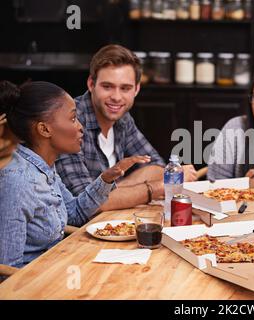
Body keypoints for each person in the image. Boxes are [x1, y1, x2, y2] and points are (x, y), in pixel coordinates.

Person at [0, 81, 150, 268]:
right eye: (72, 119)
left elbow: (74, 213)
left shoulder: (44, 167)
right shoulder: (17, 183)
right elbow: (6, 271)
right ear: (44, 129)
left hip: (59, 268)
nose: (81, 127)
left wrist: (106, 179)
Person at [55, 44, 197, 211]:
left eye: (125, 88)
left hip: (113, 223)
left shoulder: (122, 117)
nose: (116, 97)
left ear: (136, 89)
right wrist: (160, 186)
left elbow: (156, 166)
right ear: (91, 84)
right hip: (76, 232)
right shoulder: (70, 122)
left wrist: (115, 191)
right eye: (107, 87)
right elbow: (86, 203)